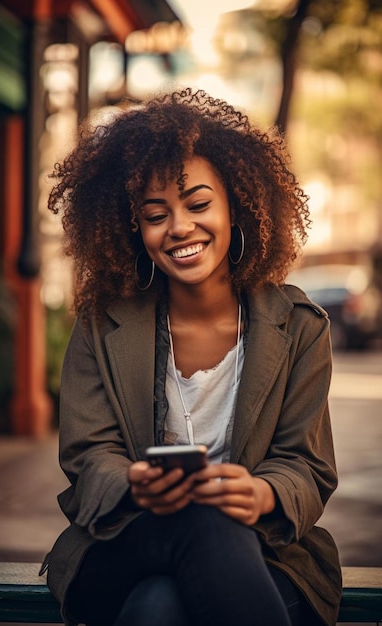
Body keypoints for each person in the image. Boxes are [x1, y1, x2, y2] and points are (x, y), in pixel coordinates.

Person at [43, 88, 342, 626]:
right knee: (202, 524)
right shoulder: (101, 325)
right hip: (126, 543)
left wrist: (262, 494)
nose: (180, 227)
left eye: (199, 204)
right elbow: (87, 456)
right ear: (135, 226)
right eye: (156, 214)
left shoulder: (298, 327)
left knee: (159, 609)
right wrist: (133, 482)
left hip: (264, 555)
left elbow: (308, 465)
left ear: (237, 205)